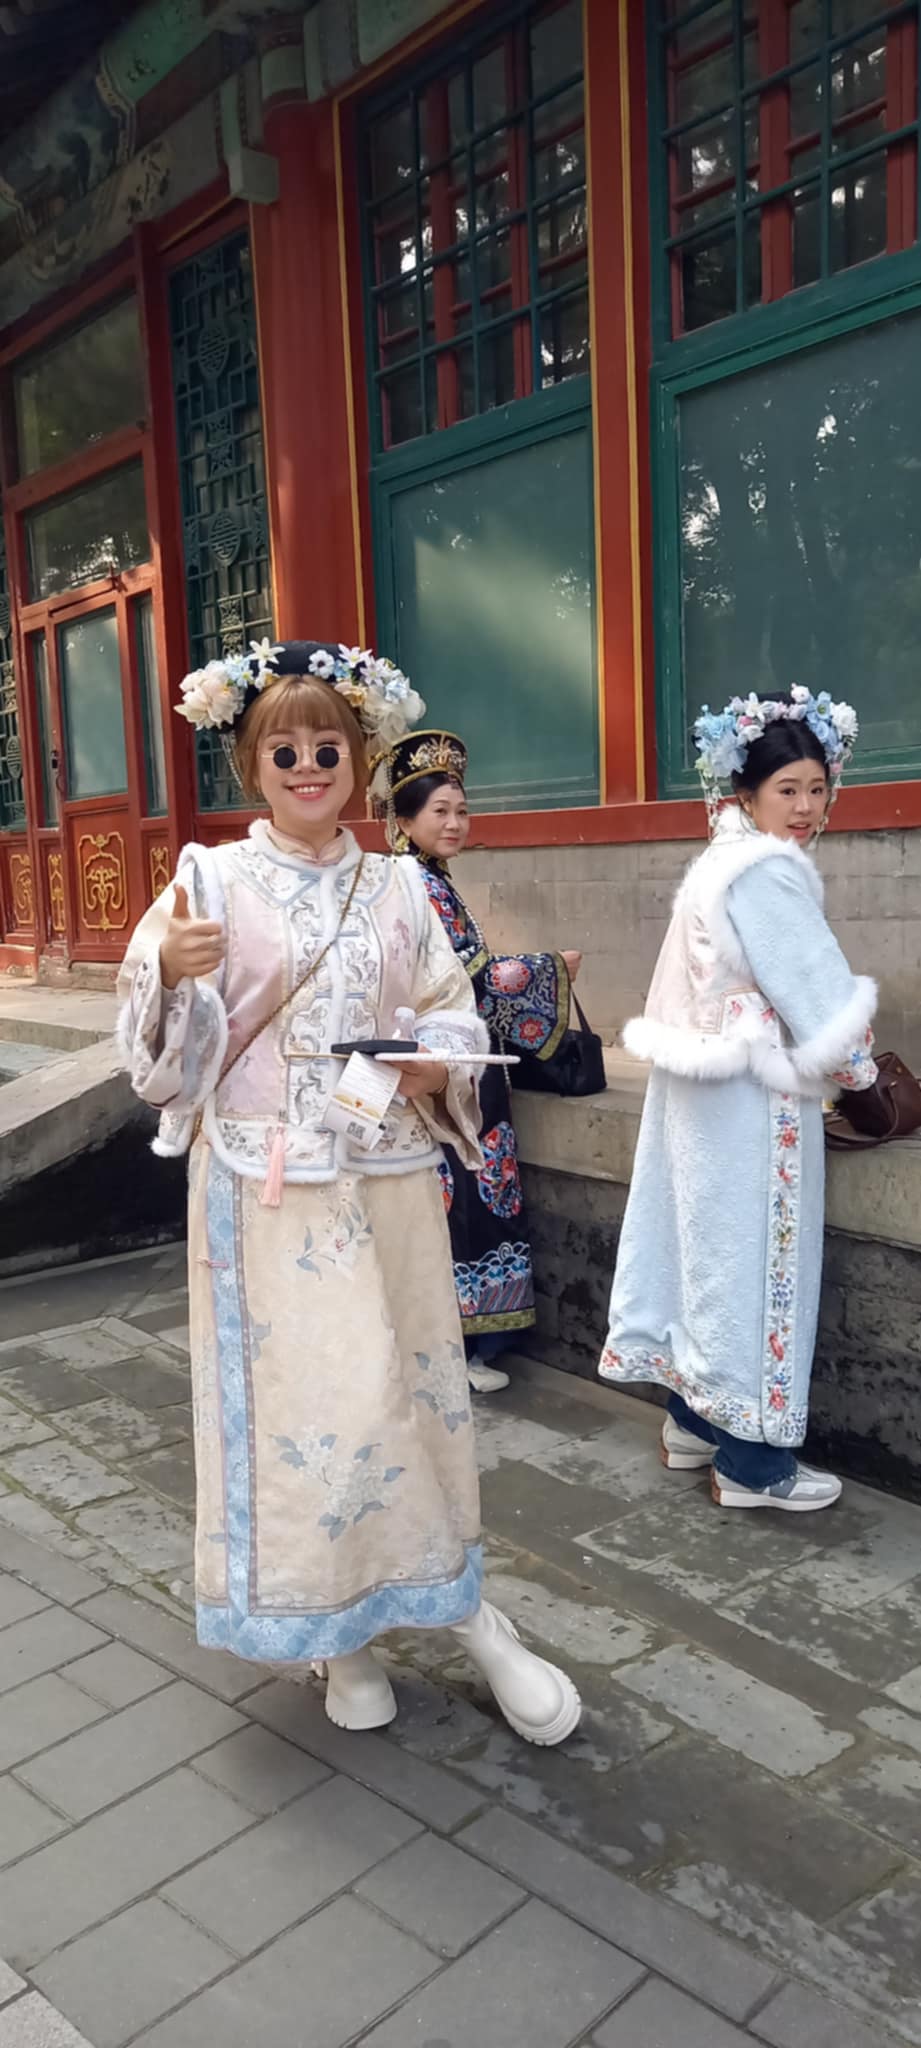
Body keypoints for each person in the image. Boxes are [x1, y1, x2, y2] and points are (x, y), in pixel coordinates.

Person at [118, 640, 580, 1746]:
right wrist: (167, 972)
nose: (308, 767)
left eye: (327, 747)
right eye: (284, 749)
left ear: (358, 757)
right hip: (265, 1193)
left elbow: (451, 1011)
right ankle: (343, 1637)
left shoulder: (400, 885)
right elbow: (154, 1063)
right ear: (251, 762)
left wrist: (433, 1065)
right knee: (317, 1418)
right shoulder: (206, 879)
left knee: (416, 1400)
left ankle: (468, 1610)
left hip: (388, 1180)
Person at [598, 687, 877, 1511]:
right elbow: (817, 991)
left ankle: (693, 1421)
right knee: (754, 1262)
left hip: (699, 1092)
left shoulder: (720, 859)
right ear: (746, 793)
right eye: (786, 789)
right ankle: (753, 1462)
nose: (805, 807)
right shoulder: (764, 870)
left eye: (816, 788)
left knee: (703, 1253)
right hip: (750, 1102)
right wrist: (861, 1075)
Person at [374, 730, 580, 1395]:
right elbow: (469, 981)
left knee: (477, 1193)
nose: (455, 823)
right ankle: (455, 1345)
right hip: (440, 1068)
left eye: (462, 811)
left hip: (466, 1061)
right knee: (457, 1198)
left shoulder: (432, 878)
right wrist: (548, 969)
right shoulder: (412, 882)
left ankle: (470, 1341)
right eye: (439, 811)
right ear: (404, 820)